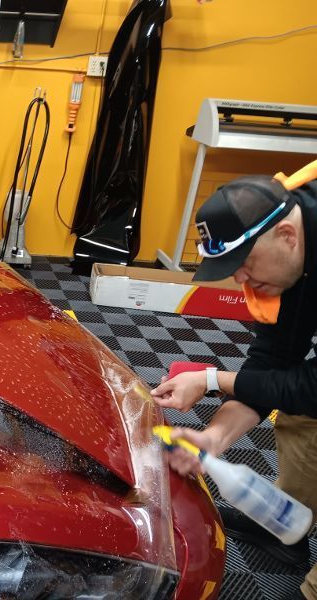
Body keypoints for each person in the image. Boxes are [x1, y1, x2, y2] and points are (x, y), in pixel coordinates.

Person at [150, 164, 317, 600]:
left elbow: (311, 386)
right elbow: (271, 367)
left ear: (287, 236)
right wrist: (215, 438)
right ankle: (288, 526)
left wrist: (210, 379)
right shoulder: (287, 256)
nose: (239, 279)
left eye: (243, 263)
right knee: (300, 419)